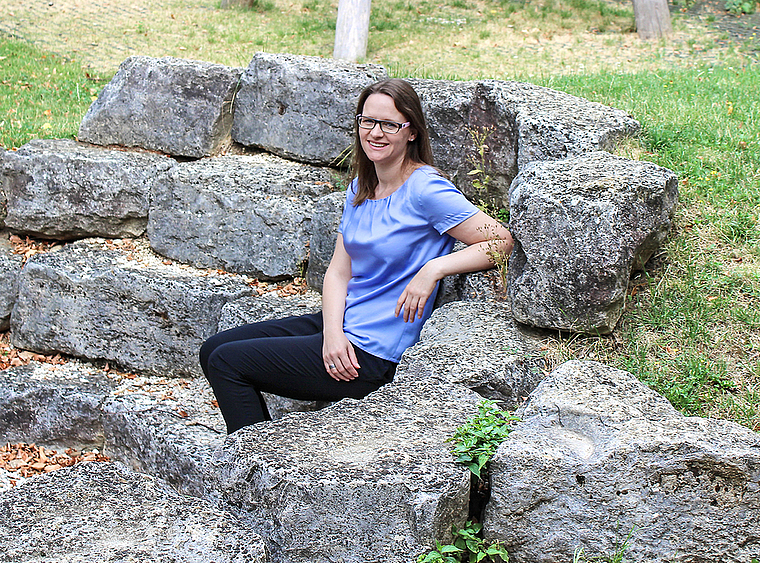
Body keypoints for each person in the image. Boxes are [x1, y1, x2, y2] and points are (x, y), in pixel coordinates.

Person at [200, 78, 513, 434]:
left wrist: (433, 268)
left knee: (228, 363)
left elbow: (500, 240)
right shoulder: (361, 188)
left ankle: (253, 465)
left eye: (390, 124)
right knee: (214, 348)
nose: (375, 133)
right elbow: (337, 271)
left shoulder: (426, 189)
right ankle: (258, 450)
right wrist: (332, 333)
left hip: (373, 352)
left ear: (411, 132)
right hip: (345, 327)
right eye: (368, 121)